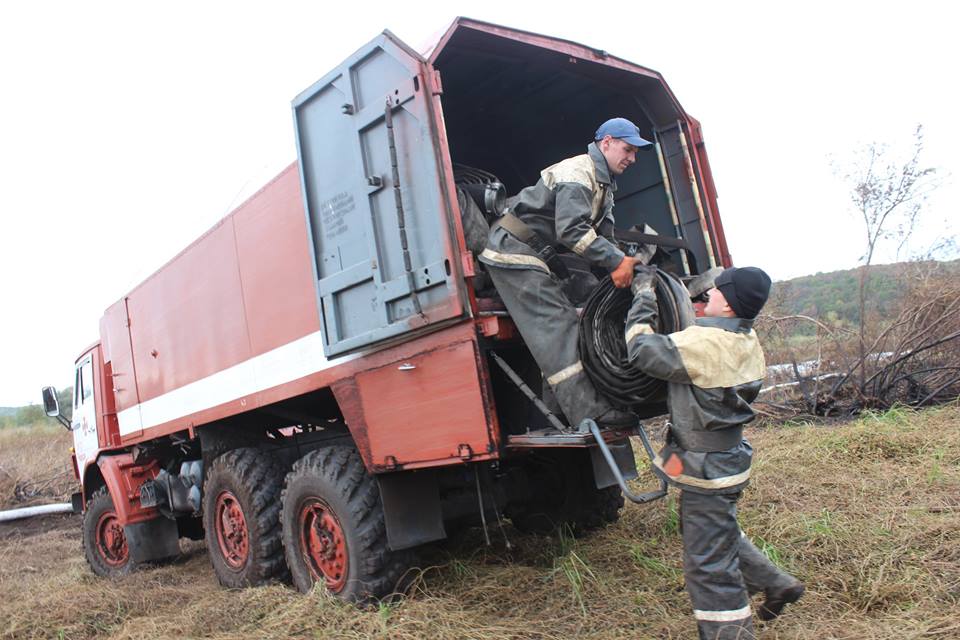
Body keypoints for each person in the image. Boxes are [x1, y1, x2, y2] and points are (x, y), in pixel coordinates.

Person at [624, 265, 804, 639]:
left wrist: (642, 295)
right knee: (713, 528)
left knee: (708, 566)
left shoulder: (703, 346)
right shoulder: (746, 339)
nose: (709, 295)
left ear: (730, 305)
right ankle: (775, 582)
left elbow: (640, 349)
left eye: (717, 291)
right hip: (726, 460)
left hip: (705, 469)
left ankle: (731, 632)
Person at [479, 117, 650, 430]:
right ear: (607, 142)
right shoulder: (578, 172)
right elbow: (572, 231)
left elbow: (605, 239)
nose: (632, 158)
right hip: (512, 249)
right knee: (557, 325)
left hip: (537, 253)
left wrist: (627, 269)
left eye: (636, 153)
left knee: (578, 315)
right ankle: (591, 413)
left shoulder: (604, 185)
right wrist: (616, 262)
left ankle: (559, 411)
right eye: (628, 149)